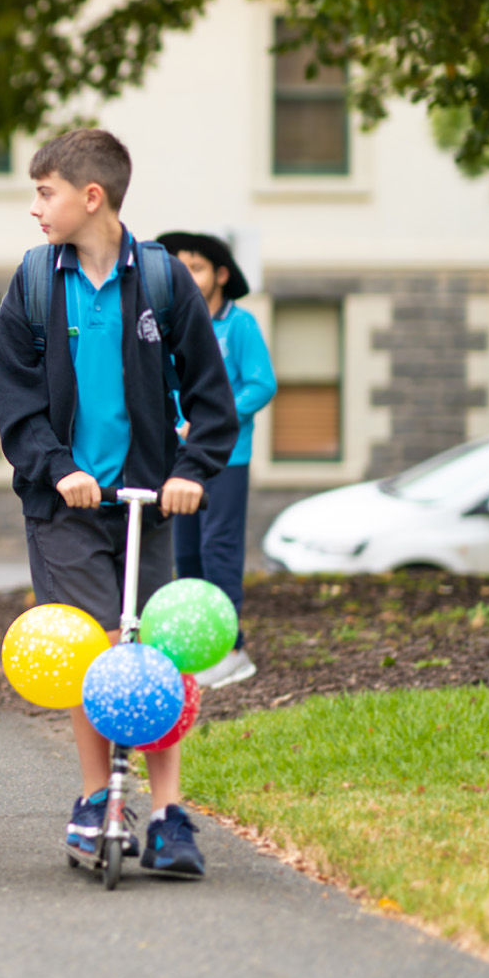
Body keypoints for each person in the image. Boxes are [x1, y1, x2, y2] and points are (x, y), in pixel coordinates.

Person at [0, 129, 238, 879]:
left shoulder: (163, 281)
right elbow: (17, 406)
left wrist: (192, 469)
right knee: (93, 651)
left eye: (46, 192)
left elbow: (210, 397)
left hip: (145, 503)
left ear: (89, 196)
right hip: (63, 505)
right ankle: (98, 798)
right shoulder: (34, 283)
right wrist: (57, 467)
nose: (36, 207)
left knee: (154, 652)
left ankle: (167, 812)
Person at [157, 231, 275, 689]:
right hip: (180, 460)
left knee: (218, 550)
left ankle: (231, 649)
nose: (187, 276)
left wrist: (213, 419)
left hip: (227, 458)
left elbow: (261, 384)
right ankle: (198, 647)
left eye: (197, 266)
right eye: (179, 267)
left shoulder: (239, 324)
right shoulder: (176, 326)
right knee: (185, 553)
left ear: (221, 274)